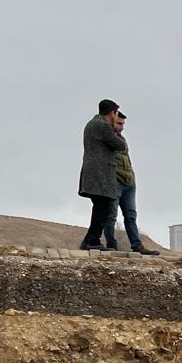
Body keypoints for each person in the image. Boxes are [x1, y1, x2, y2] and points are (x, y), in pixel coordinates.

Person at [78, 98, 128, 251]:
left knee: (100, 207)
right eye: (116, 114)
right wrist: (115, 130)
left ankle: (90, 240)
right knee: (103, 207)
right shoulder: (103, 126)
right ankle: (92, 241)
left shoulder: (92, 124)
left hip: (94, 172)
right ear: (112, 113)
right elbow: (120, 145)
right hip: (100, 174)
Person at [110, 109, 156, 255]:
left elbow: (126, 160)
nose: (122, 127)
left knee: (131, 216)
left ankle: (137, 245)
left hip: (129, 182)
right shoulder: (106, 137)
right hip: (114, 181)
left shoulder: (122, 139)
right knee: (111, 215)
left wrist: (131, 177)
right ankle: (111, 245)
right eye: (119, 123)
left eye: (123, 124)